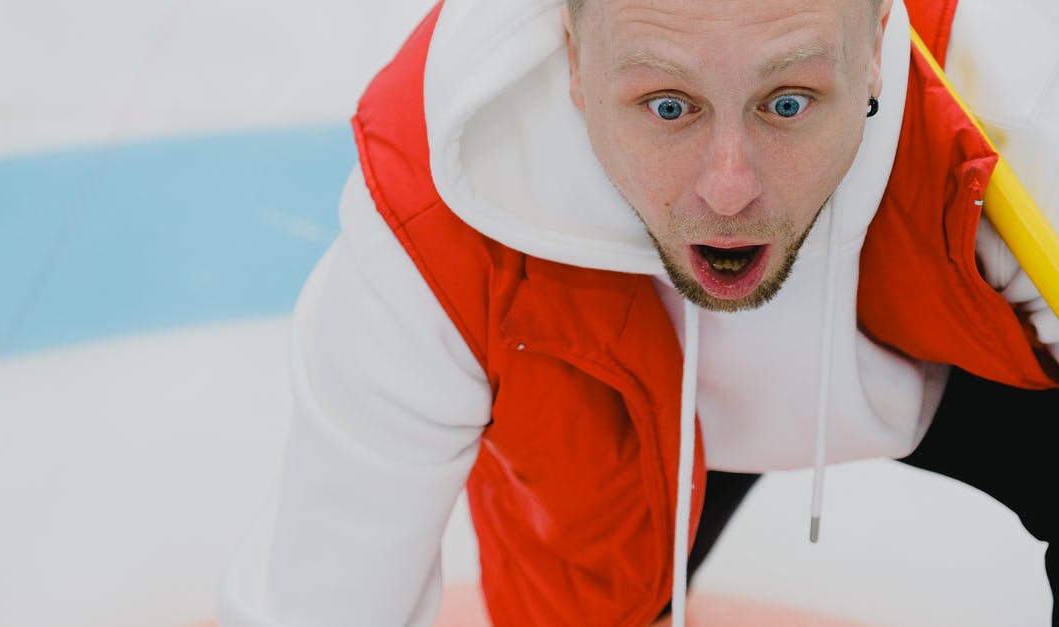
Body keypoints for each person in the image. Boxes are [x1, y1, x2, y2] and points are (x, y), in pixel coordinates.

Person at [218, 0, 1059, 625]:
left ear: (879, 41)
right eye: (668, 106)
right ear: (574, 56)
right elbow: (319, 600)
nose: (729, 189)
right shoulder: (435, 215)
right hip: (609, 403)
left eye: (789, 100)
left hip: (950, 342)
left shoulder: (1014, 117)